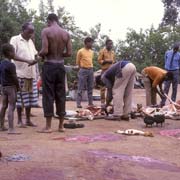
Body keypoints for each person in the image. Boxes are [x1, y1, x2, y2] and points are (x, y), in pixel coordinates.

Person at [38, 13, 72, 133]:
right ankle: (61, 126)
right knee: (60, 94)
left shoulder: (46, 31)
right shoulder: (66, 33)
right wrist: (59, 54)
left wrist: (38, 54)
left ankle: (48, 127)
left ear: (49, 20)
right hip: (60, 66)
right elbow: (69, 53)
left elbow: (45, 50)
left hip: (49, 65)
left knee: (48, 95)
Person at [10, 22, 39, 128]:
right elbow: (12, 54)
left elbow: (35, 54)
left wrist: (37, 59)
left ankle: (27, 120)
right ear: (23, 30)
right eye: (29, 31)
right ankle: (19, 120)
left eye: (32, 32)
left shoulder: (30, 41)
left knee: (29, 99)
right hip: (19, 73)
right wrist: (27, 60)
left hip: (31, 74)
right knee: (20, 98)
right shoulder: (15, 39)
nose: (31, 34)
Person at [0, 44, 21, 134]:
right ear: (9, 53)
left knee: (4, 106)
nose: (14, 53)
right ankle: (11, 128)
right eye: (13, 51)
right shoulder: (11, 65)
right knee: (11, 107)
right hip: (11, 87)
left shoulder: (1, 63)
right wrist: (18, 86)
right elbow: (14, 77)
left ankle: (1, 126)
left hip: (3, 87)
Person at [76, 37, 94, 108]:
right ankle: (78, 103)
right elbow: (77, 63)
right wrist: (80, 70)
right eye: (91, 43)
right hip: (83, 70)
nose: (92, 44)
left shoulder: (92, 52)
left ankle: (90, 103)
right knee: (80, 87)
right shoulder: (80, 51)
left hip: (90, 70)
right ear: (86, 43)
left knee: (90, 87)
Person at [98, 39, 115, 106]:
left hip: (111, 71)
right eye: (109, 44)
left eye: (111, 44)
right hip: (104, 70)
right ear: (106, 44)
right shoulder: (102, 51)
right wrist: (106, 61)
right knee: (103, 87)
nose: (111, 45)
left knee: (110, 87)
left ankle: (108, 101)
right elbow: (99, 61)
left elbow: (113, 61)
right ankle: (102, 101)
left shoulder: (113, 52)